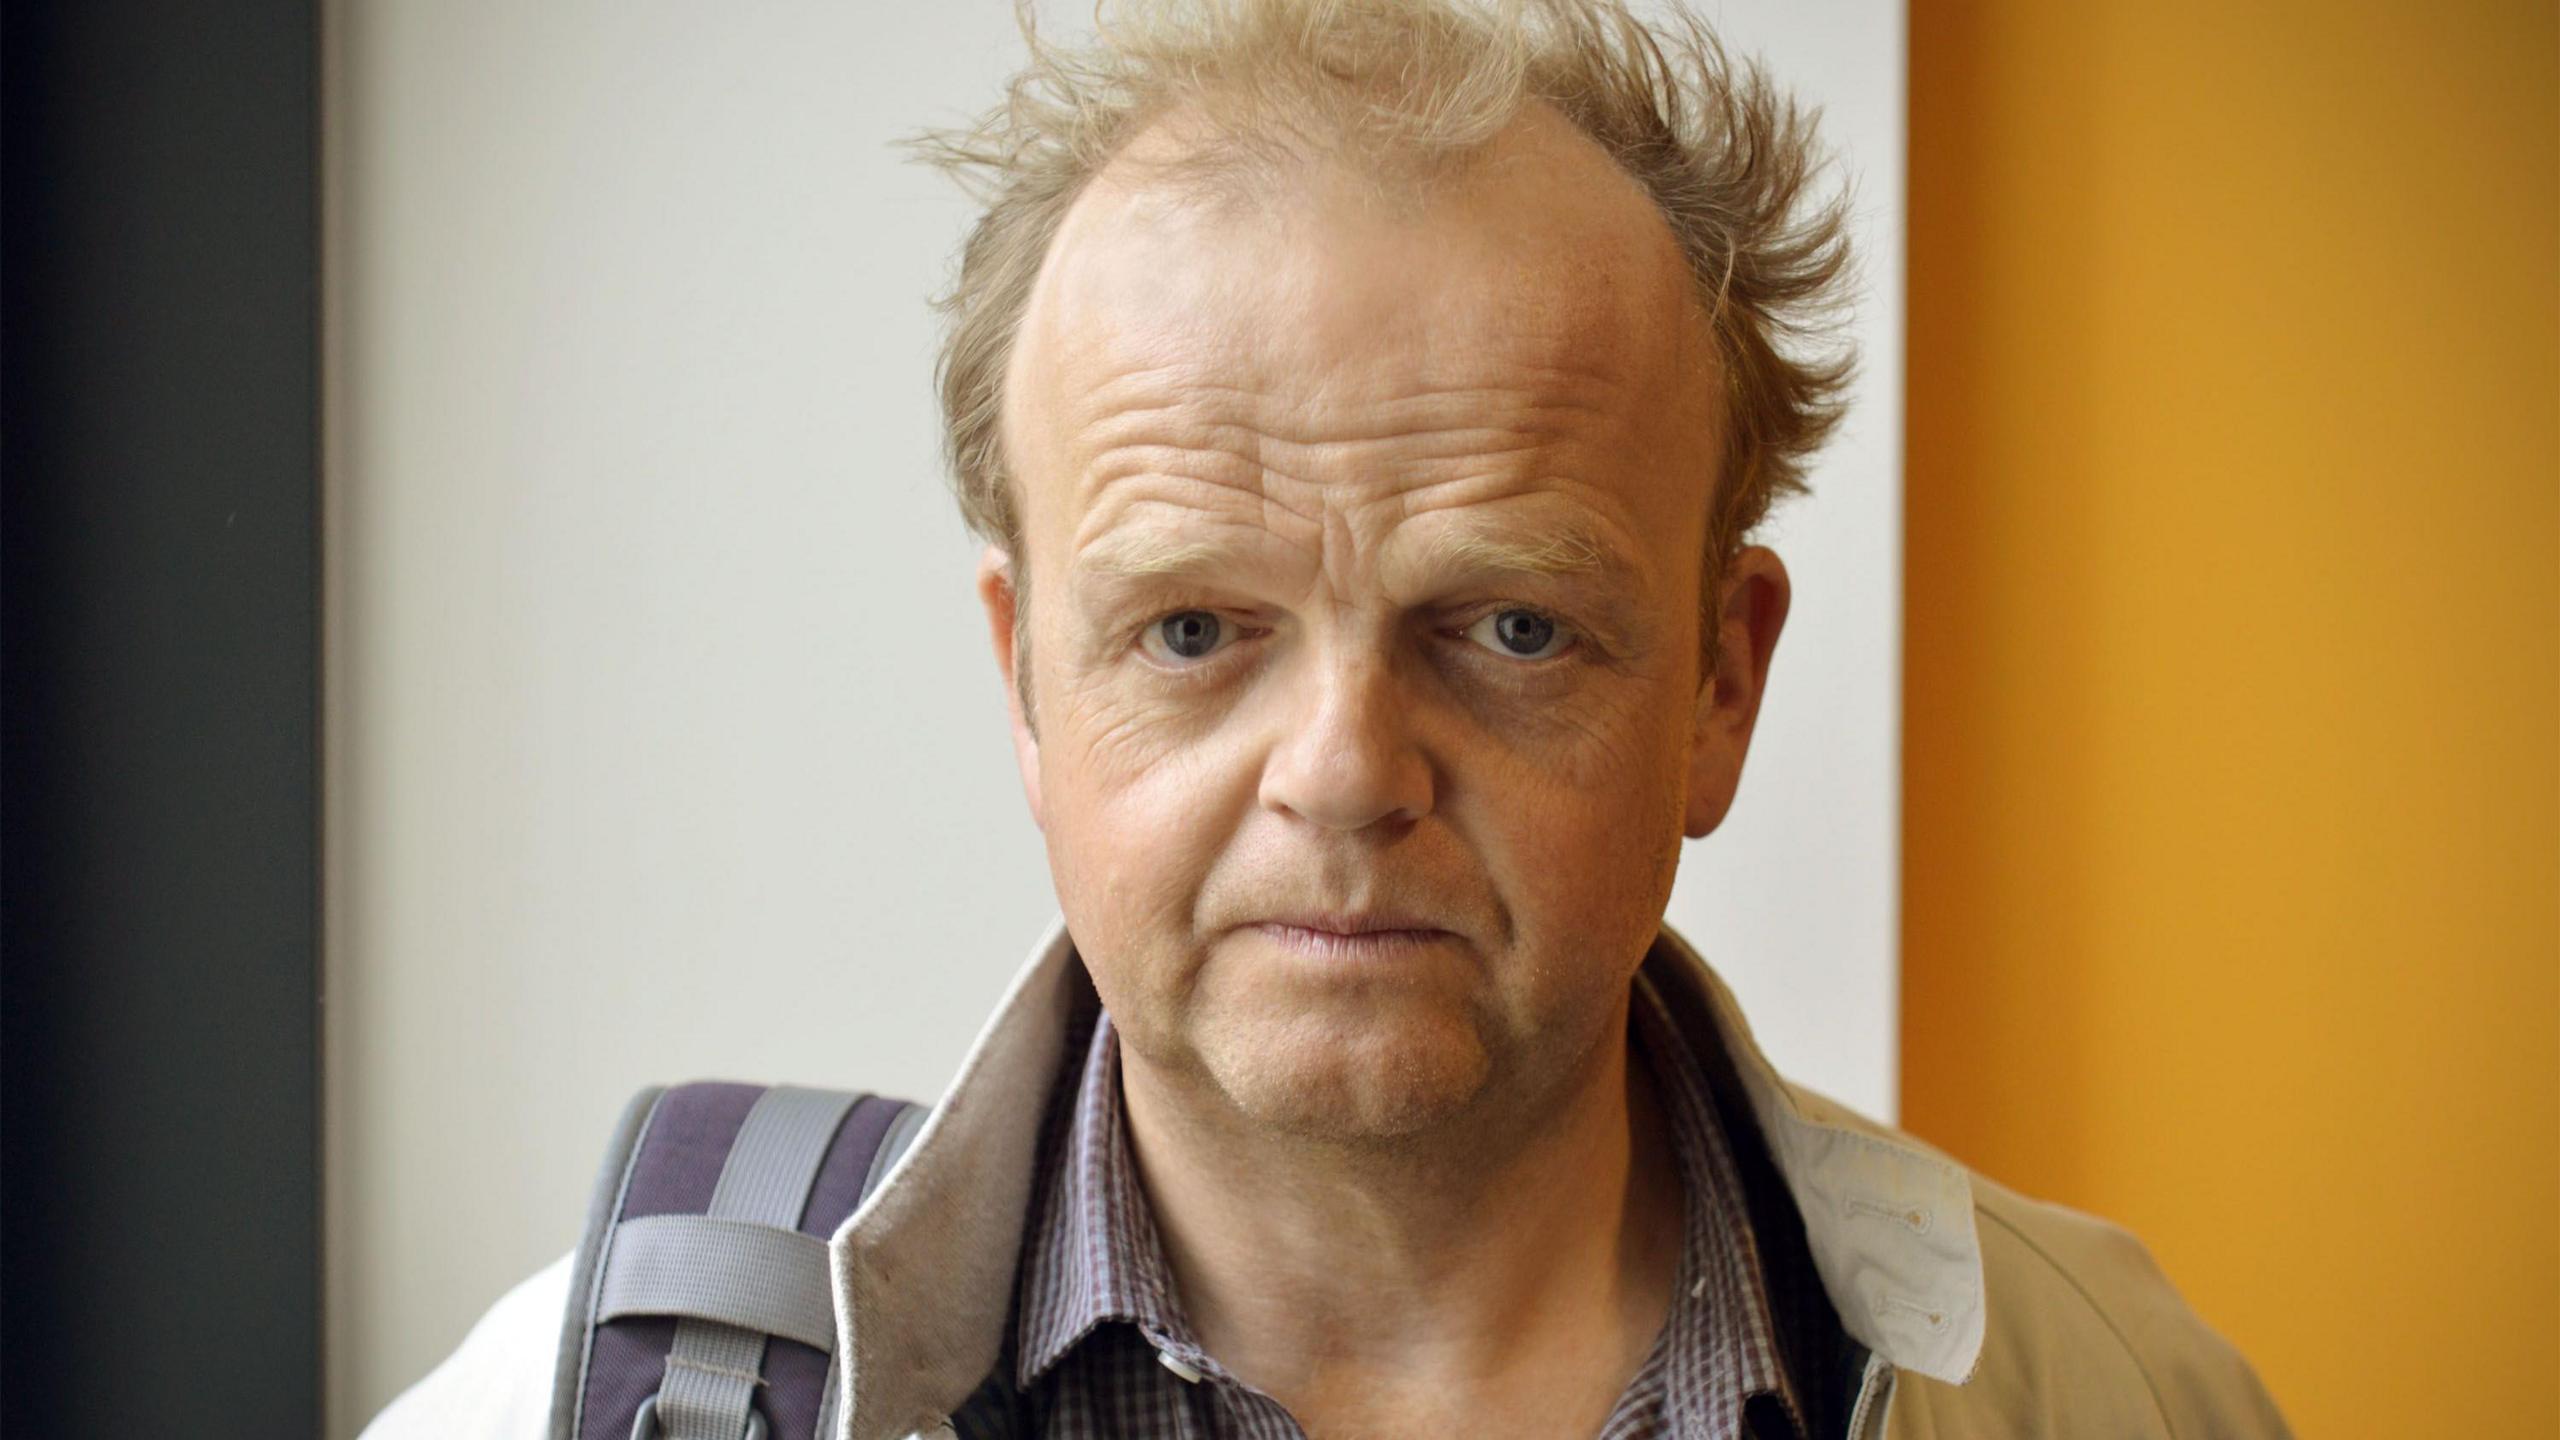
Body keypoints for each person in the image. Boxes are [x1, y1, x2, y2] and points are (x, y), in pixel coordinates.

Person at [362, 1, 2294, 1436]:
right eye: (1198, 627)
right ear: (1027, 682)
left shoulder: (2101, 1392)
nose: (1349, 774)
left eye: (1514, 625)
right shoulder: (576, 1401)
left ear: (1722, 684)